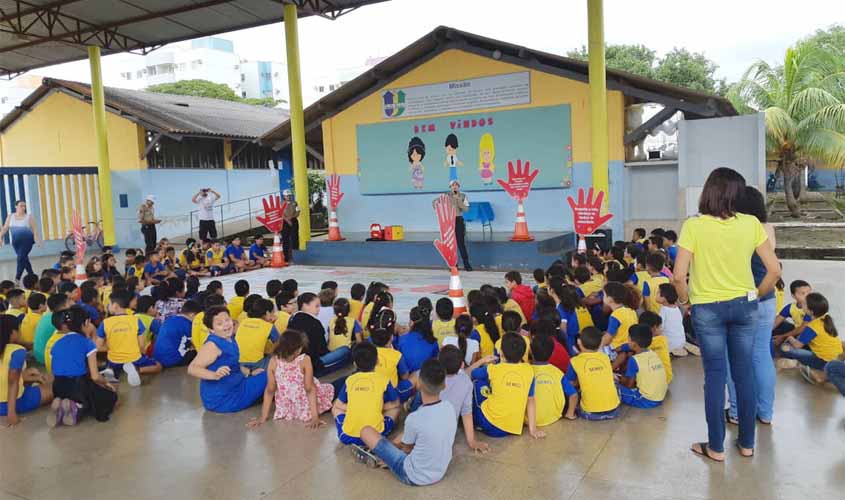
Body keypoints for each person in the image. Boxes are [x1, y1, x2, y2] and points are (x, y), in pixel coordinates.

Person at [673, 167, 780, 462]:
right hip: (745, 307)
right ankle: (747, 445)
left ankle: (716, 448)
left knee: (716, 377)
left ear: (709, 191)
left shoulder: (693, 226)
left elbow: (679, 276)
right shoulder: (750, 224)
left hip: (707, 309)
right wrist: (756, 295)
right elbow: (774, 270)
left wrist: (686, 301)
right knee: (744, 375)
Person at [356, 359, 458, 486]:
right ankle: (388, 450)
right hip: (440, 472)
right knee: (410, 432)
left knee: (366, 431)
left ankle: (381, 456)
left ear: (419, 383)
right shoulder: (450, 407)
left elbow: (407, 449)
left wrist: (391, 457)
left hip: (412, 475)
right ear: (444, 385)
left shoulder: (415, 418)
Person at [726, 186, 779, 425]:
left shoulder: (736, 229)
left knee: (734, 358)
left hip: (742, 299)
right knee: (761, 356)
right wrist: (760, 293)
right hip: (766, 298)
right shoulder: (768, 228)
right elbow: (773, 268)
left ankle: (737, 412)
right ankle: (765, 412)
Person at [247, 329, 334, 429]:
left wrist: (263, 417)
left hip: (287, 408)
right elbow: (309, 388)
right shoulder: (305, 360)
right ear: (298, 350)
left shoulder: (274, 361)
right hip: (305, 407)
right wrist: (315, 417)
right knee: (336, 386)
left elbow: (270, 390)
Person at [188, 306, 267, 413]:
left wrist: (251, 372)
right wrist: (214, 375)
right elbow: (192, 368)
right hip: (224, 399)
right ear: (211, 329)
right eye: (219, 324)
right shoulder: (212, 345)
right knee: (271, 374)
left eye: (227, 320)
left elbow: (234, 365)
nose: (226, 325)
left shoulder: (229, 338)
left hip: (233, 386)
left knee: (262, 375)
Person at [49, 306, 117, 425]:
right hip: (77, 386)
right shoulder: (87, 343)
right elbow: (95, 376)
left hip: (58, 387)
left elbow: (55, 369)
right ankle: (76, 407)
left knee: (76, 388)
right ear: (86, 322)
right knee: (110, 397)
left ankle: (60, 405)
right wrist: (107, 383)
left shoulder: (56, 344)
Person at [469, 332, 544, 438]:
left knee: (477, 382)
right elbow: (530, 399)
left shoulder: (493, 368)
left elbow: (469, 373)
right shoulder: (529, 370)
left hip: (490, 425)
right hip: (513, 427)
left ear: (501, 353)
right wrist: (533, 429)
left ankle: (476, 423)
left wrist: (482, 360)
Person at [331, 342, 400, 446]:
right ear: (377, 361)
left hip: (347, 436)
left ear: (355, 364)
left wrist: (357, 407)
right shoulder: (384, 380)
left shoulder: (350, 380)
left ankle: (357, 442)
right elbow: (396, 403)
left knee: (335, 408)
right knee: (395, 410)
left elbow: (339, 405)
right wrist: (377, 406)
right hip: (377, 435)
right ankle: (372, 444)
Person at [96, 291, 162, 387]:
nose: (108, 306)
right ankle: (137, 369)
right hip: (134, 357)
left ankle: (112, 369)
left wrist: (111, 347)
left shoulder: (105, 323)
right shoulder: (136, 320)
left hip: (114, 359)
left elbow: (98, 346)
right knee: (158, 366)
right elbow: (142, 345)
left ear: (115, 306)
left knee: (112, 362)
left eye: (109, 304)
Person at [1, 315, 54, 426]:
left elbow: (5, 375)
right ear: (12, 332)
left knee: (41, 379)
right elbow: (12, 382)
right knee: (55, 388)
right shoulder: (17, 351)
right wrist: (12, 414)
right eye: (19, 329)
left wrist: (33, 377)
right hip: (10, 404)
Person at [780, 292, 842, 384]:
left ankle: (802, 365)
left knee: (785, 348)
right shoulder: (826, 318)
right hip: (836, 356)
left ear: (811, 311)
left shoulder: (812, 326)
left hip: (823, 361)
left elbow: (797, 345)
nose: (802, 304)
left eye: (804, 304)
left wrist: (789, 337)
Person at [564, 326, 620, 420]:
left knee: (570, 387)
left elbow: (570, 384)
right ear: (599, 345)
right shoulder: (605, 357)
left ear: (579, 342)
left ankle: (570, 413)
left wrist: (579, 381)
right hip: (613, 411)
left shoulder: (575, 361)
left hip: (590, 413)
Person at [618, 325, 668, 408]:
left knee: (615, 388)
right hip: (660, 396)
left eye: (628, 339)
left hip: (646, 400)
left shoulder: (634, 360)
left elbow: (629, 385)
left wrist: (618, 380)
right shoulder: (653, 353)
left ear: (634, 344)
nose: (627, 341)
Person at [287, 293, 336, 376]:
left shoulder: (292, 318)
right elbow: (322, 349)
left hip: (295, 359)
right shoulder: (315, 323)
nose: (319, 309)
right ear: (305, 305)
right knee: (345, 350)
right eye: (316, 306)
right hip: (313, 362)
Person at [530, 334, 574, 425]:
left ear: (530, 352)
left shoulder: (526, 371)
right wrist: (570, 413)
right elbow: (573, 395)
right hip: (554, 416)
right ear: (552, 353)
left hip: (529, 420)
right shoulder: (557, 372)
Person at [0, 200, 42, 282]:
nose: (23, 208)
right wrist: (0, 237)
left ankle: (17, 278)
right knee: (24, 259)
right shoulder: (10, 216)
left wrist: (37, 240)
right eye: (21, 206)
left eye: (24, 206)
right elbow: (5, 228)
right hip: (16, 242)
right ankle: (32, 275)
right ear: (16, 206)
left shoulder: (29, 217)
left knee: (20, 258)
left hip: (27, 241)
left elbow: (35, 230)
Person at [235, 298, 280, 373]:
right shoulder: (268, 326)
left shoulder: (243, 321)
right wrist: (273, 323)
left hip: (238, 362)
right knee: (276, 356)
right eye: (273, 312)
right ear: (268, 313)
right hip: (256, 363)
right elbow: (279, 343)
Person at [153, 300, 202, 368]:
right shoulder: (188, 324)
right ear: (192, 315)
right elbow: (197, 343)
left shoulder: (169, 319)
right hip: (173, 361)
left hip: (158, 358)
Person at [396, 306, 440, 373]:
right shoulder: (433, 341)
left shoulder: (402, 339)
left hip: (408, 377)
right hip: (427, 377)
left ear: (411, 322)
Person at [446, 180, 472, 271]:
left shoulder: (463, 196)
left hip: (459, 220)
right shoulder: (446, 196)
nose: (455, 186)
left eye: (456, 185)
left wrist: (458, 200)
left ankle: (466, 264)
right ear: (450, 187)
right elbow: (440, 205)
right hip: (449, 221)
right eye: (453, 185)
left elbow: (466, 209)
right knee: (451, 244)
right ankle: (453, 265)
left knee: (461, 243)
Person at [281, 189, 301, 262]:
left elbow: (298, 212)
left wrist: (291, 217)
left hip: (293, 221)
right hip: (285, 222)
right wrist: (287, 220)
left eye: (289, 195)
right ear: (284, 196)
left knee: (295, 238)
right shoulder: (281, 203)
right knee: (285, 239)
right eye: (287, 196)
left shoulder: (295, 203)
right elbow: (280, 213)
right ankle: (286, 257)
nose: (288, 197)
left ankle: (296, 255)